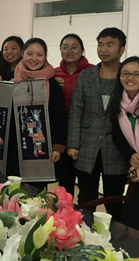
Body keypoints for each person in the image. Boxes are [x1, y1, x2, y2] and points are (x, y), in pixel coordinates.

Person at [67, 27, 129, 221]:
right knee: (86, 198)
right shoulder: (86, 76)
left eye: (110, 45)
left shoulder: (127, 77)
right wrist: (73, 144)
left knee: (114, 199)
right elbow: (76, 111)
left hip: (117, 148)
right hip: (87, 145)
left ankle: (116, 236)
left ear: (121, 50)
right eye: (100, 44)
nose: (103, 49)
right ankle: (83, 232)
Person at [5, 38, 67, 187]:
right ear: (23, 54)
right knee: (11, 190)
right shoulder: (11, 78)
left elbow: (59, 117)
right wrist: (7, 89)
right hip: (13, 147)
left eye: (39, 55)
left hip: (41, 146)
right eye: (29, 54)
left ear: (45, 56)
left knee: (36, 192)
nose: (34, 59)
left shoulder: (52, 83)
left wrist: (58, 147)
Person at [54, 34, 94, 196]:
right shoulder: (53, 73)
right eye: (65, 47)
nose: (69, 51)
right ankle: (66, 209)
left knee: (86, 181)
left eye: (74, 47)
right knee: (65, 179)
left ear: (82, 50)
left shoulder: (93, 72)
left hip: (86, 132)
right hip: (62, 131)